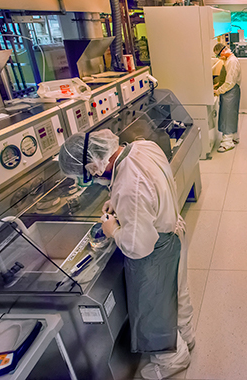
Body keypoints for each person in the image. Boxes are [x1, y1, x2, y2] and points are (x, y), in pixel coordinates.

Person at [59, 130, 194, 379]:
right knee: (177, 293)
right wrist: (116, 200)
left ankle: (171, 361)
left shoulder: (128, 187)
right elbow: (149, 188)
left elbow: (137, 246)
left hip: (156, 251)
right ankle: (186, 335)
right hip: (173, 231)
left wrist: (113, 231)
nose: (92, 180)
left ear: (95, 165)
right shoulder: (142, 147)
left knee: (154, 308)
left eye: (87, 176)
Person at [213, 43, 241, 152]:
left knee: (227, 115)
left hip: (231, 91)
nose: (219, 58)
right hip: (231, 91)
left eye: (218, 55)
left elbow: (229, 82)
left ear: (223, 51)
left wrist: (218, 91)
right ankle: (233, 137)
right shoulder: (229, 60)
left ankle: (227, 142)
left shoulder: (232, 62)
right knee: (231, 114)